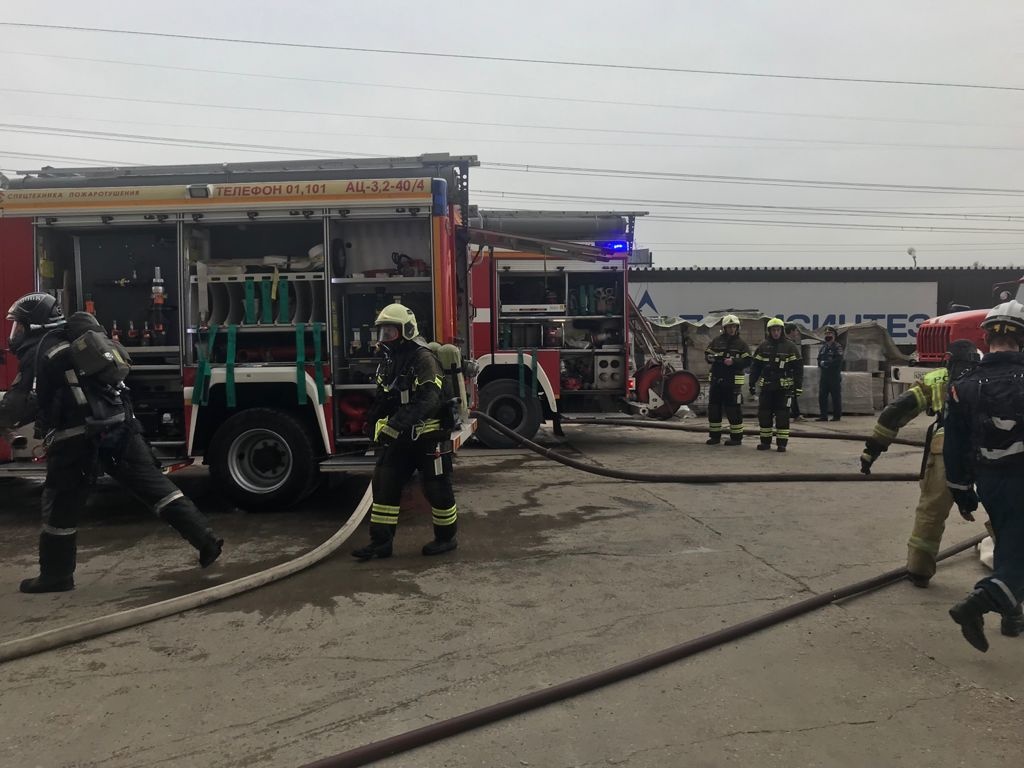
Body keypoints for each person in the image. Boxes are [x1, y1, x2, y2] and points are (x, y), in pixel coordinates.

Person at [1, 294, 222, 593]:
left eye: (19, 326)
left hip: (76, 440)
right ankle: (206, 539)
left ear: (34, 325)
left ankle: (56, 576)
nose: (15, 334)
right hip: (119, 426)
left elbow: (21, 404)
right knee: (155, 487)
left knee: (60, 506)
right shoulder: (76, 340)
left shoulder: (42, 350)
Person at [860, 340, 981, 587]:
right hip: (989, 450)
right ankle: (1008, 572)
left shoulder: (936, 380)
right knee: (1006, 511)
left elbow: (896, 411)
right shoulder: (991, 378)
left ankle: (919, 569)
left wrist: (873, 449)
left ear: (948, 359)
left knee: (931, 512)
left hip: (944, 449)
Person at [945, 300, 1024, 652]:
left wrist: (961, 491)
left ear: (986, 338)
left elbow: (955, 443)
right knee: (1017, 558)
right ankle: (975, 605)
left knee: (1010, 546)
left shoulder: (965, 384)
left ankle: (1010, 617)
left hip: (988, 482)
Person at [352, 303, 459, 561]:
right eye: (382, 333)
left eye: (389, 332)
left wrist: (395, 425)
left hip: (429, 437)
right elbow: (383, 398)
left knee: (436, 489)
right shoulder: (389, 362)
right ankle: (381, 544)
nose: (384, 339)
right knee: (384, 484)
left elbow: (429, 400)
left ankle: (446, 539)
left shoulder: (424, 359)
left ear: (406, 331)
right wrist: (373, 423)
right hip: (401, 438)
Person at [748, 317, 803, 453]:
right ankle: (765, 443)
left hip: (783, 388)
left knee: (782, 416)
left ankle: (782, 444)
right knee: (764, 415)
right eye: (773, 330)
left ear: (782, 331)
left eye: (778, 330)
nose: (776, 333)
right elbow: (756, 367)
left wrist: (798, 387)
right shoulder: (763, 346)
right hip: (767, 387)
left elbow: (798, 369)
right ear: (769, 331)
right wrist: (751, 383)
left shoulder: (790, 347)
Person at [704, 314, 751, 446]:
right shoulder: (716, 341)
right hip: (717, 381)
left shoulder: (741, 344)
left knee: (733, 411)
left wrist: (734, 361)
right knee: (714, 409)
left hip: (732, 384)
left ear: (737, 328)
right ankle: (715, 437)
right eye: (729, 327)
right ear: (724, 328)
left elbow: (748, 360)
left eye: (734, 326)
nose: (731, 329)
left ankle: (736, 438)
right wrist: (711, 358)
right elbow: (707, 354)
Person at [816, 325, 844, 421]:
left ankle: (837, 416)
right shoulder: (823, 347)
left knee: (835, 396)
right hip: (824, 376)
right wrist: (821, 363)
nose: (828, 335)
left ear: (834, 335)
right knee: (822, 396)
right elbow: (819, 359)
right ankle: (823, 416)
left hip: (834, 376)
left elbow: (838, 360)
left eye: (830, 333)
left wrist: (827, 363)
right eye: (826, 334)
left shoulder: (837, 347)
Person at [784, 323, 805, 421]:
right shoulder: (789, 345)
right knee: (789, 395)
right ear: (791, 331)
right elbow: (797, 362)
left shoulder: (789, 343)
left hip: (789, 374)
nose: (797, 333)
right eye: (796, 331)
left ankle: (796, 414)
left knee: (792, 395)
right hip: (788, 375)